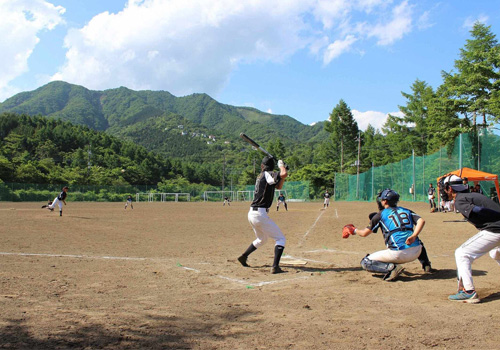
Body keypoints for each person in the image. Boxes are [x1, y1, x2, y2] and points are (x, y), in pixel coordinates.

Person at [342, 189, 426, 281]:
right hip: (417, 251)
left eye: (381, 199)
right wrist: (414, 236)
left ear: (385, 201)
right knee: (418, 241)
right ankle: (427, 265)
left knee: (365, 262)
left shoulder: (380, 215)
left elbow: (364, 233)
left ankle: (392, 268)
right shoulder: (406, 210)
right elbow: (421, 220)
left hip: (398, 254)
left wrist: (354, 230)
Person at [443, 175, 500, 303]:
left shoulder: (460, 199)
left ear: (450, 189)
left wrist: (496, 215)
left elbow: (478, 210)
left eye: (445, 188)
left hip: (495, 230)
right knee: (496, 253)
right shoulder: (472, 195)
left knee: (462, 253)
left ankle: (468, 291)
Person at [237, 156, 288, 274]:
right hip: (260, 213)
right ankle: (275, 266)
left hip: (252, 213)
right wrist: (282, 166)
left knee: (262, 239)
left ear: (262, 166)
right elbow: (283, 174)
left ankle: (244, 256)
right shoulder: (267, 174)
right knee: (280, 239)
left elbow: (279, 186)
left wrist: (283, 171)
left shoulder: (263, 176)